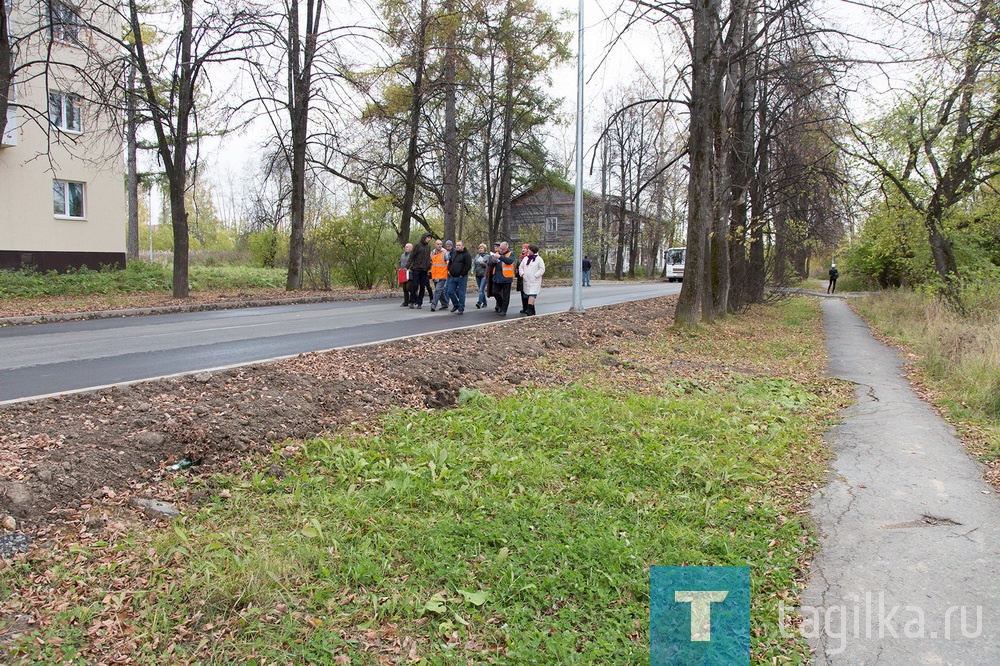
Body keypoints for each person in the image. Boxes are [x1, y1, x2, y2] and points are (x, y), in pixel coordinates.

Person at [406, 233, 432, 309]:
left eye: (430, 238)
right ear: (424, 238)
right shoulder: (418, 245)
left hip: (424, 269)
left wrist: (428, 266)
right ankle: (411, 301)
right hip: (416, 268)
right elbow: (412, 256)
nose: (429, 239)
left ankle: (420, 302)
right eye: (428, 238)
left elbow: (428, 258)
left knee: (422, 287)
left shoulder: (428, 247)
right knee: (415, 285)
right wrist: (407, 266)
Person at [446, 240, 472, 314]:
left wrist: (462, 274)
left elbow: (468, 265)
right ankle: (456, 304)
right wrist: (449, 270)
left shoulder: (466, 254)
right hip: (452, 276)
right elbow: (450, 262)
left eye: (459, 245)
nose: (457, 246)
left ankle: (461, 307)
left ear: (462, 246)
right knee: (450, 291)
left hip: (461, 277)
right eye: (457, 245)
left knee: (461, 293)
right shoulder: (454, 253)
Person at [518, 244, 545, 316]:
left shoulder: (539, 259)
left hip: (534, 280)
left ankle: (529, 309)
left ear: (532, 251)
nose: (527, 250)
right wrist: (522, 274)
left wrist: (535, 275)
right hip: (526, 280)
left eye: (529, 249)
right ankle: (532, 311)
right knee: (527, 295)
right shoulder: (526, 258)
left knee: (532, 294)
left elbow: (542, 269)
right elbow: (521, 267)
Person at [491, 241, 516, 316]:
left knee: (506, 295)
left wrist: (500, 257)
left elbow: (509, 261)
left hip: (506, 278)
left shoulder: (511, 254)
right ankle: (500, 304)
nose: (501, 250)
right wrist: (493, 261)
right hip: (497, 277)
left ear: (506, 248)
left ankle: (504, 310)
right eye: (500, 248)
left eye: (502, 249)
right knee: (495, 292)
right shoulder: (497, 254)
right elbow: (491, 264)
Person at [429, 239, 449, 311]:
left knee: (437, 290)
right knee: (440, 291)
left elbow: (448, 263)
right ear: (435, 245)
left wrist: (449, 272)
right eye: (438, 244)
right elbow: (431, 263)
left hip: (442, 275)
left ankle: (433, 305)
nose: (439, 245)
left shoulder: (445, 253)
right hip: (435, 275)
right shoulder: (432, 253)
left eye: (440, 244)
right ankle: (445, 303)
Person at [473, 243, 489, 309]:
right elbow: (474, 264)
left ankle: (479, 302)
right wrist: (472, 270)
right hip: (478, 275)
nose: (480, 249)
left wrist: (483, 264)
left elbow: (488, 266)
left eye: (481, 248)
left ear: (485, 249)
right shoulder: (477, 256)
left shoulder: (487, 256)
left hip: (484, 275)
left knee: (481, 289)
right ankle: (485, 302)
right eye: (479, 248)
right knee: (480, 289)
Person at [516, 243, 531, 314]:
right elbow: (517, 266)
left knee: (527, 294)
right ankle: (524, 307)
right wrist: (517, 273)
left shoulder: (529, 257)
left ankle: (529, 307)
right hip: (520, 278)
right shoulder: (520, 257)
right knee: (522, 294)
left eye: (524, 248)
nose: (523, 249)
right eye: (522, 248)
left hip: (527, 278)